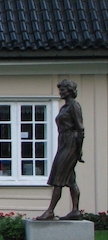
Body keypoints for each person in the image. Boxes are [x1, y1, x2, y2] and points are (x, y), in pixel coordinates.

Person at [36, 80, 85, 221]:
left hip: (71, 142)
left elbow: (80, 128)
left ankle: (50, 211)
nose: (60, 92)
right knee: (70, 178)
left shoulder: (74, 106)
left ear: (70, 90)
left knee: (58, 177)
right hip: (63, 141)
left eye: (63, 89)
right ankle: (75, 210)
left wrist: (79, 150)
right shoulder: (65, 107)